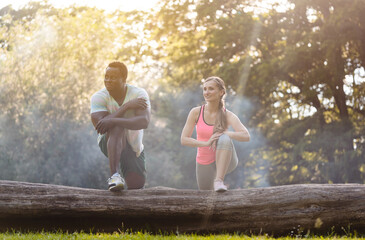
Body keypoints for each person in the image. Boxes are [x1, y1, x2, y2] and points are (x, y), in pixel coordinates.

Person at [181, 76, 250, 192]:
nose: (206, 92)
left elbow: (246, 136)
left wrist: (226, 133)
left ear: (221, 92)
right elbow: (184, 139)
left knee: (224, 137)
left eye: (211, 89)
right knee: (205, 196)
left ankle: (219, 180)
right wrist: (206, 143)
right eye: (205, 89)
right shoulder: (195, 112)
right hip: (204, 162)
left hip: (227, 160)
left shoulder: (228, 115)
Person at [90, 61, 151, 191]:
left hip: (134, 146)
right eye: (106, 77)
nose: (108, 80)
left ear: (123, 79)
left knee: (137, 188)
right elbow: (101, 126)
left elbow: (144, 122)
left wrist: (113, 120)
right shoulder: (98, 97)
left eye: (113, 77)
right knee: (116, 127)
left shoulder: (139, 94)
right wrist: (126, 107)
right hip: (109, 142)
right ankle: (114, 176)